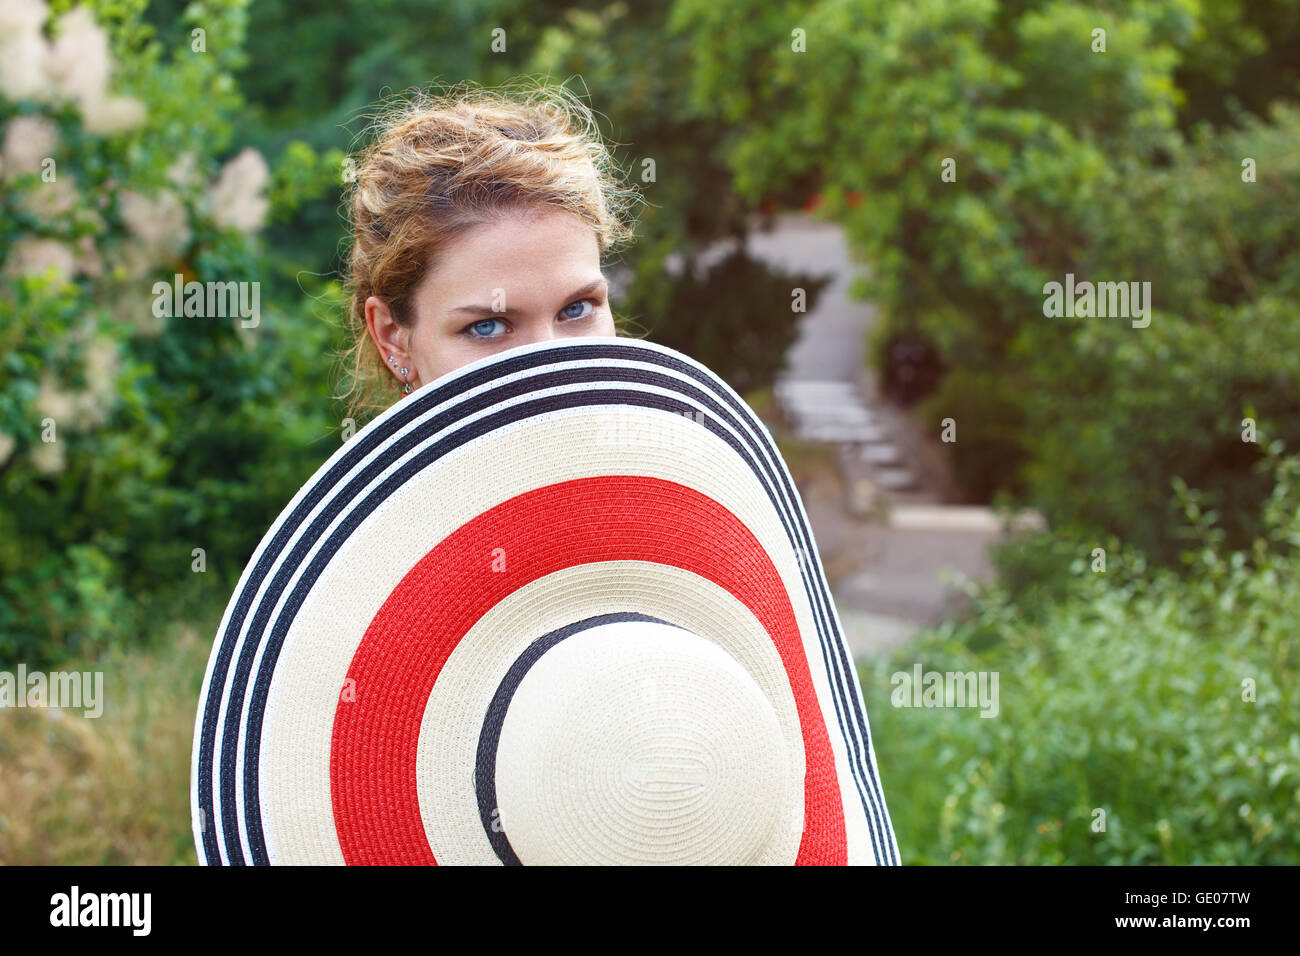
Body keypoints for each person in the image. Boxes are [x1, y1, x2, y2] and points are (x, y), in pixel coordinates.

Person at [335, 81, 640, 421]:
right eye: (488, 327)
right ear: (394, 339)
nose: (551, 371)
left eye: (577, 309)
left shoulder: (681, 469)